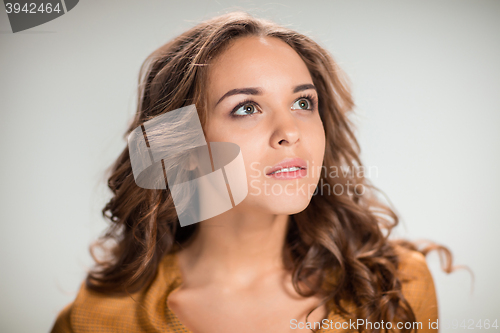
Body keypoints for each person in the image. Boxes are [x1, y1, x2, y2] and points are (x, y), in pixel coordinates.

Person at [51, 11, 455, 333]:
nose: (290, 133)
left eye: (303, 103)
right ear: (183, 148)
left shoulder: (397, 288)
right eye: (246, 108)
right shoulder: (96, 320)